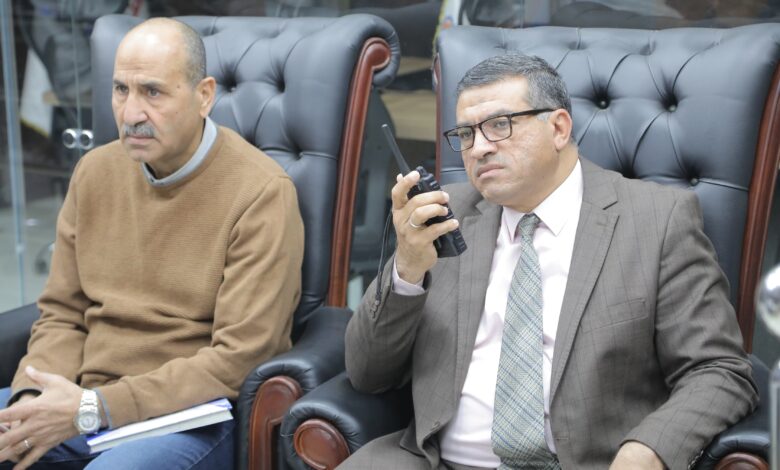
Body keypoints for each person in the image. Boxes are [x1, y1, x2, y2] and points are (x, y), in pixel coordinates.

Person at [341, 54, 757, 470]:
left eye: (499, 125)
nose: (479, 148)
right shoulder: (444, 217)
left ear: (558, 128)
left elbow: (718, 370)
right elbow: (367, 373)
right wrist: (408, 269)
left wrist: (648, 451)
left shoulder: (656, 220)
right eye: (466, 133)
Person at [0, 17, 304, 470]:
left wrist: (95, 408)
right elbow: (62, 313)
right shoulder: (95, 172)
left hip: (186, 417)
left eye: (153, 92)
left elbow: (240, 358)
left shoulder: (261, 193)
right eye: (121, 90)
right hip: (79, 398)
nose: (131, 114)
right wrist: (32, 398)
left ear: (204, 96)